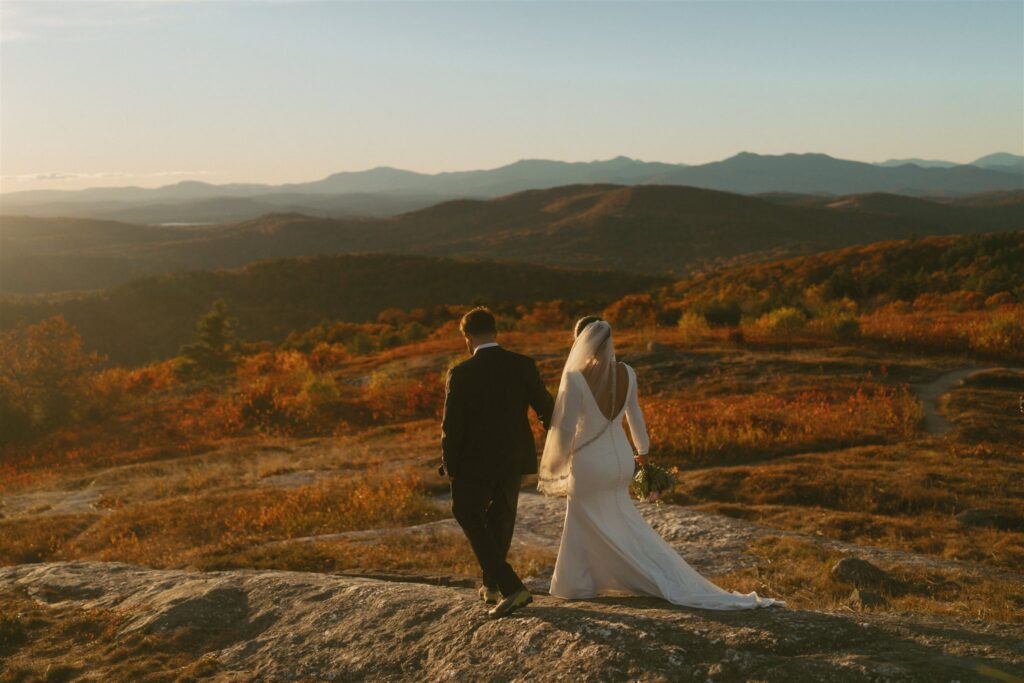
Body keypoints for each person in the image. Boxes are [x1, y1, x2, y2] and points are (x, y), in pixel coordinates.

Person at [539, 316, 779, 609]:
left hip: (590, 460)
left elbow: (564, 428)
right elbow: (635, 416)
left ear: (579, 341)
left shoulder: (575, 378)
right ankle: (641, 571)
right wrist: (643, 452)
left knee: (581, 516)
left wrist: (555, 462)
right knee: (621, 517)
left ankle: (577, 583)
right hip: (621, 459)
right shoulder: (627, 372)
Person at [440, 307, 555, 618]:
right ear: (495, 331)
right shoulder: (523, 365)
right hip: (513, 458)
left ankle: (511, 587)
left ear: (467, 336)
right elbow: (547, 409)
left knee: (467, 513)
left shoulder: (461, 373)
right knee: (501, 520)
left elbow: (452, 427)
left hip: (473, 462)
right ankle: (491, 586)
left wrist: (450, 465)